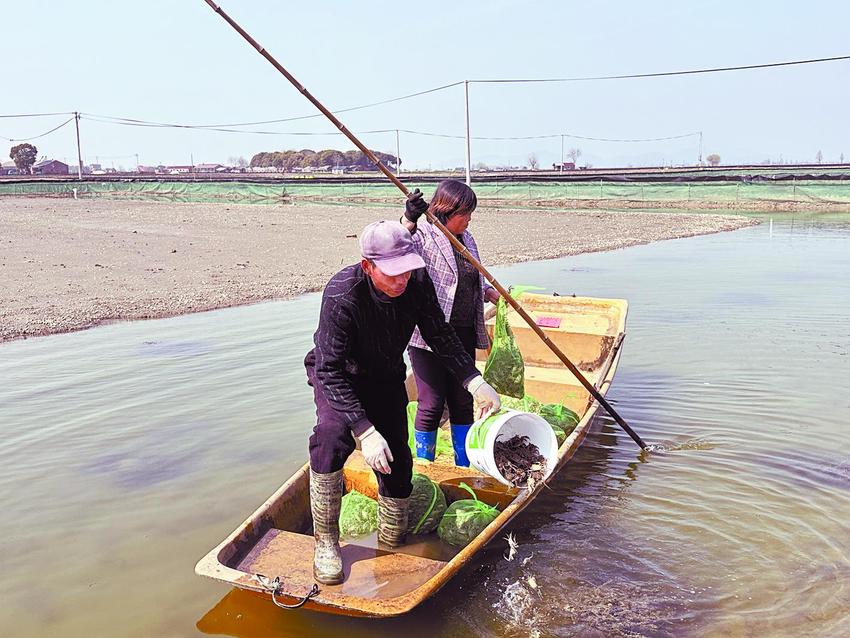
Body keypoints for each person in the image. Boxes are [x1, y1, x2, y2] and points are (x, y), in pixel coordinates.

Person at [304, 219, 501, 585]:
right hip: (340, 377)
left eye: (406, 272)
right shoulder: (342, 294)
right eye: (392, 274)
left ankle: (393, 537)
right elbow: (329, 369)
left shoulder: (415, 284)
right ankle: (327, 542)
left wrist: (473, 381)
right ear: (368, 266)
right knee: (331, 440)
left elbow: (439, 334)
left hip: (386, 377)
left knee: (397, 458)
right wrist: (364, 431)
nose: (401, 281)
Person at [401, 180, 501, 467]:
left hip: (463, 332)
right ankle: (425, 466)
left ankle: (464, 463)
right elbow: (396, 243)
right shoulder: (423, 235)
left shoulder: (467, 239)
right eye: (465, 213)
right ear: (446, 210)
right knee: (431, 403)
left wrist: (488, 292)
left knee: (462, 401)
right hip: (427, 335)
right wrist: (409, 219)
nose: (469, 219)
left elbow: (469, 279)